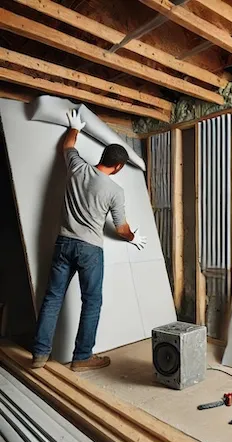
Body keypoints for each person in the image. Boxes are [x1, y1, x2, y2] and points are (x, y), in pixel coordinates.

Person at [31, 108, 147, 371]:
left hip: (63, 243)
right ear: (117, 166)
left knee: (52, 298)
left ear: (102, 157)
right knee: (92, 301)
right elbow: (120, 229)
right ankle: (82, 357)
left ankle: (39, 355)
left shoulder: (77, 167)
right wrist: (132, 237)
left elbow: (68, 146)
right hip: (90, 250)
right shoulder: (115, 191)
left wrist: (75, 128)